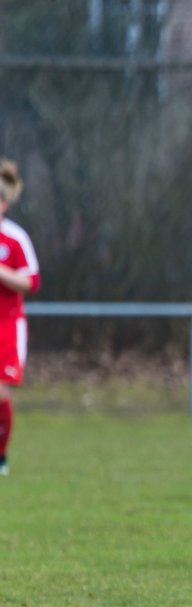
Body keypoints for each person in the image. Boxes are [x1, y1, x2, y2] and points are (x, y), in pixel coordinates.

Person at [0, 159, 41, 478]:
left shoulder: (14, 238)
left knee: (1, 392)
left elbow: (31, 281)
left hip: (7, 326)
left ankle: (0, 455)